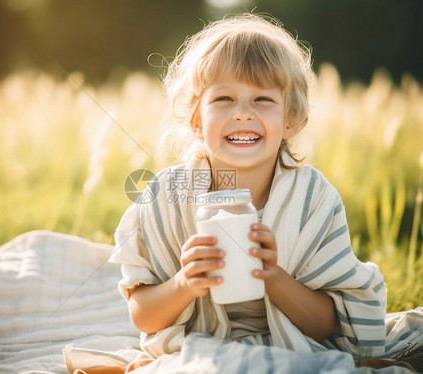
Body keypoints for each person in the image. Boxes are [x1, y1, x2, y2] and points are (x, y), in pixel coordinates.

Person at [110, 13, 386, 360]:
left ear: (291, 119)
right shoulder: (166, 197)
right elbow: (144, 318)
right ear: (197, 120)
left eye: (263, 100)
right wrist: (184, 284)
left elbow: (327, 327)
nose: (242, 113)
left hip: (291, 350)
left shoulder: (312, 199)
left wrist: (273, 277)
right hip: (198, 351)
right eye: (224, 99)